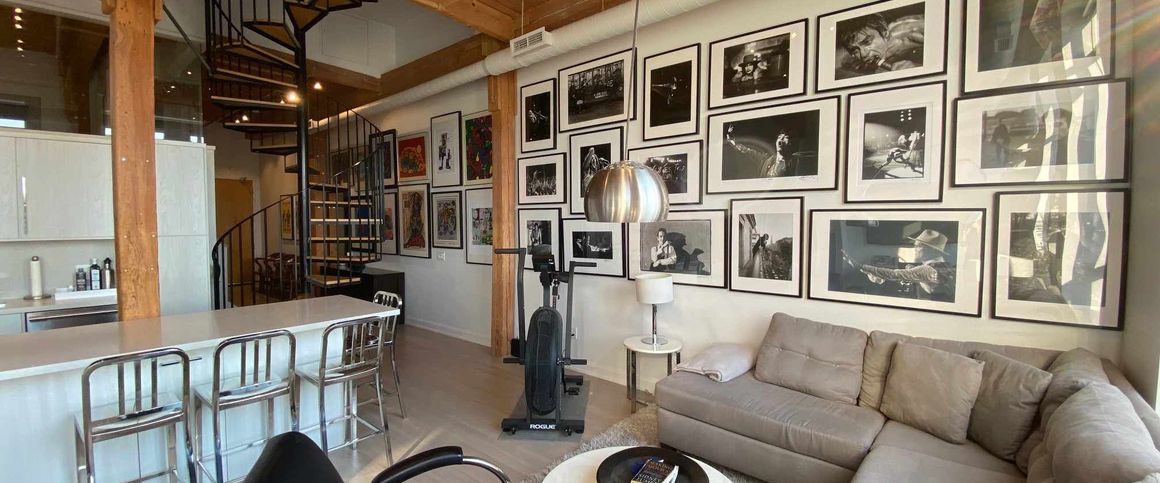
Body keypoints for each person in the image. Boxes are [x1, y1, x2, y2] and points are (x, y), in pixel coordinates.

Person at [840, 228, 955, 301]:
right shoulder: (943, 265)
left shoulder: (926, 270)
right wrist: (912, 269)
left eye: (919, 246)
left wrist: (860, 266)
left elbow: (894, 275)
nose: (915, 248)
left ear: (932, 250)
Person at [836, 12, 925, 76]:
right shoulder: (853, 61)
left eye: (867, 42)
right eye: (854, 50)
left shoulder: (913, 33)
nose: (863, 54)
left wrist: (918, 68)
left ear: (885, 34)